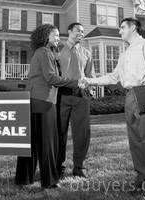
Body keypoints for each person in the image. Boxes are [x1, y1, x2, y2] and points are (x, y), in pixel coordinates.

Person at [82, 18, 145, 198]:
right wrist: (90, 80)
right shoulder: (125, 53)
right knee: (135, 141)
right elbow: (113, 77)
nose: (119, 32)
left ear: (133, 28)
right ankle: (141, 178)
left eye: (122, 28)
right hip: (129, 96)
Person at [15, 24, 82, 189]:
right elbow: (51, 78)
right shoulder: (45, 52)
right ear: (46, 36)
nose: (58, 38)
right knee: (48, 143)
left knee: (30, 142)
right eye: (56, 35)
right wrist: (76, 83)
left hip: (33, 100)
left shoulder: (41, 52)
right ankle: (50, 181)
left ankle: (24, 178)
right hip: (45, 102)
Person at [57, 22, 95, 178]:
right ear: (69, 31)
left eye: (83, 32)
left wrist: (90, 91)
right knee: (59, 132)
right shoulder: (57, 50)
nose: (81, 33)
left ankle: (79, 167)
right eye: (78, 31)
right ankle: (58, 165)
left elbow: (90, 76)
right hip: (61, 96)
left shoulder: (86, 53)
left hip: (81, 97)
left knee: (82, 133)